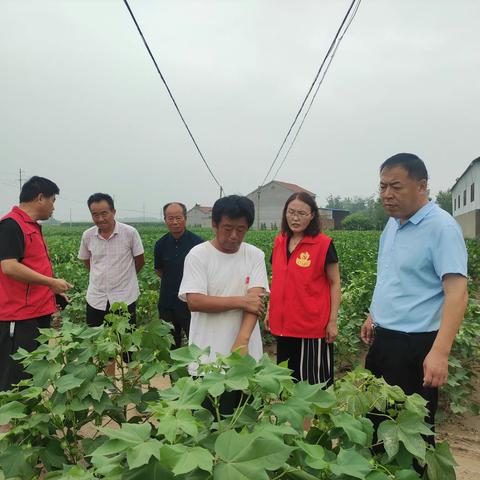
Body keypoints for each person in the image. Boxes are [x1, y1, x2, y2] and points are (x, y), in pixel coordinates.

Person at [361, 153, 468, 437]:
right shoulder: (393, 224)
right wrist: (374, 314)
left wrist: (440, 352)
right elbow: (390, 274)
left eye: (395, 186)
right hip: (384, 340)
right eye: (382, 186)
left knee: (409, 435)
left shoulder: (442, 228)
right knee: (376, 424)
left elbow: (457, 294)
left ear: (421, 186)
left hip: (415, 347)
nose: (386, 195)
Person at [178, 195, 269, 411]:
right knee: (208, 427)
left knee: (246, 424)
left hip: (246, 357)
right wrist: (241, 300)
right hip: (207, 359)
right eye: (228, 228)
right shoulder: (198, 255)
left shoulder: (254, 255)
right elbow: (195, 301)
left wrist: (241, 342)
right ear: (214, 224)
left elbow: (255, 303)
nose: (234, 236)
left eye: (241, 229)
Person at [0, 176, 72, 392]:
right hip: (18, 316)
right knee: (13, 381)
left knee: (30, 375)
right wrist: (51, 282)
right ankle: (8, 426)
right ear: (40, 198)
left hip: (36, 313)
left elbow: (32, 268)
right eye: (52, 200)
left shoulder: (29, 226)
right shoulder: (11, 225)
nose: (53, 207)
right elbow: (9, 267)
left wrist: (51, 290)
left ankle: (25, 423)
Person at [266, 192, 341, 386]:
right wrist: (269, 310)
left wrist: (332, 321)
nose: (295, 218)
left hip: (311, 328)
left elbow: (335, 283)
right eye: (291, 212)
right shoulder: (280, 241)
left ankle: (310, 419)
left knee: (311, 388)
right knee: (287, 383)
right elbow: (277, 278)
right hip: (283, 328)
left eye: (301, 213)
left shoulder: (323, 244)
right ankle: (292, 418)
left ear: (312, 215)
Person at [78, 193, 145, 335]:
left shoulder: (130, 233)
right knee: (97, 344)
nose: (100, 219)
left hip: (124, 298)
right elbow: (86, 260)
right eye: (95, 215)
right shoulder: (88, 235)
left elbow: (139, 260)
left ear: (113, 212)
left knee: (126, 346)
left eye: (104, 213)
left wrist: (125, 278)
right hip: (96, 298)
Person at [154, 202, 203, 349]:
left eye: (178, 218)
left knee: (196, 343)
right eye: (170, 218)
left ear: (185, 218)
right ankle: (173, 373)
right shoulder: (160, 244)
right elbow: (159, 271)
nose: (174, 222)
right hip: (167, 303)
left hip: (191, 303)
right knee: (170, 345)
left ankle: (197, 372)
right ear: (165, 220)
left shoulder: (198, 243)